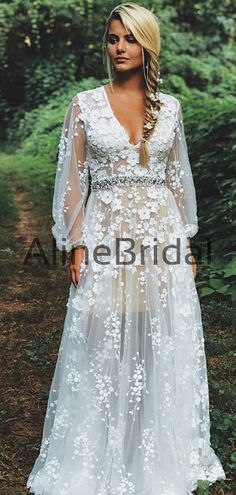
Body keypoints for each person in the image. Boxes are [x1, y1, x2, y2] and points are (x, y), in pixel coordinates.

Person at [26, 3, 226, 495]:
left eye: (129, 39)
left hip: (161, 238)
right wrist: (76, 246)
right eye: (113, 39)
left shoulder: (171, 108)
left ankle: (153, 446)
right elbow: (73, 182)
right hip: (106, 233)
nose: (119, 47)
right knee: (101, 336)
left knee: (159, 335)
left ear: (147, 45)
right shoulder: (84, 105)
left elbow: (178, 182)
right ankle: (99, 447)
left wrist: (187, 243)